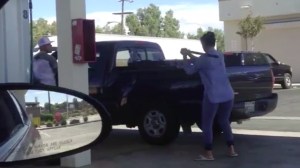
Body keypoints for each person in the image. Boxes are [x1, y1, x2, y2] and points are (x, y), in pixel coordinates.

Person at [180, 31, 238, 161]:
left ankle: (208, 153)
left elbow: (189, 70)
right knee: (224, 121)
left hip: (212, 96)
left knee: (207, 123)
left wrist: (184, 56)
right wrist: (190, 54)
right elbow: (202, 61)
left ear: (204, 44)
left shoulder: (204, 59)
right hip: (228, 94)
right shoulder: (220, 55)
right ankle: (231, 150)